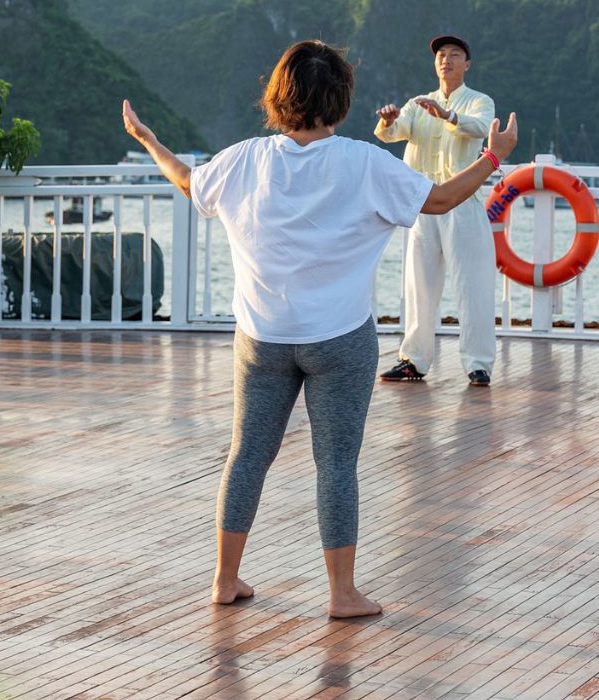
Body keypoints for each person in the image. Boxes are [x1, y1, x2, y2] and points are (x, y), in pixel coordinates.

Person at [122, 40, 518, 618]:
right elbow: (441, 199)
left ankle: (225, 580)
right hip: (340, 339)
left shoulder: (243, 159)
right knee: (336, 464)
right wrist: (495, 155)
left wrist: (148, 141)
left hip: (261, 338)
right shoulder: (363, 162)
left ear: (277, 97)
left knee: (246, 457)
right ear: (341, 99)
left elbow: (187, 180)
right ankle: (341, 593)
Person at [375, 34, 498, 388]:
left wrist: (448, 115)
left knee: (473, 285)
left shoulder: (479, 101)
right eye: (441, 55)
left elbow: (481, 130)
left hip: (462, 201)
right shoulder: (418, 103)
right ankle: (413, 358)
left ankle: (478, 363)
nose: (446, 60)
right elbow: (393, 133)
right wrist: (388, 119)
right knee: (418, 285)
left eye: (454, 55)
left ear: (467, 63)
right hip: (423, 202)